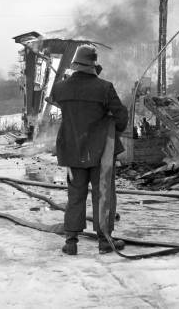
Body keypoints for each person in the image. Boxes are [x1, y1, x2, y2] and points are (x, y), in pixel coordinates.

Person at [50, 44, 128, 255]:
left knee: (75, 195)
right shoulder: (104, 87)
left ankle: (71, 242)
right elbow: (122, 118)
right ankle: (104, 241)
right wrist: (110, 122)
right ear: (94, 65)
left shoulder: (60, 88)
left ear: (75, 64)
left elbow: (59, 102)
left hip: (72, 151)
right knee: (104, 194)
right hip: (100, 152)